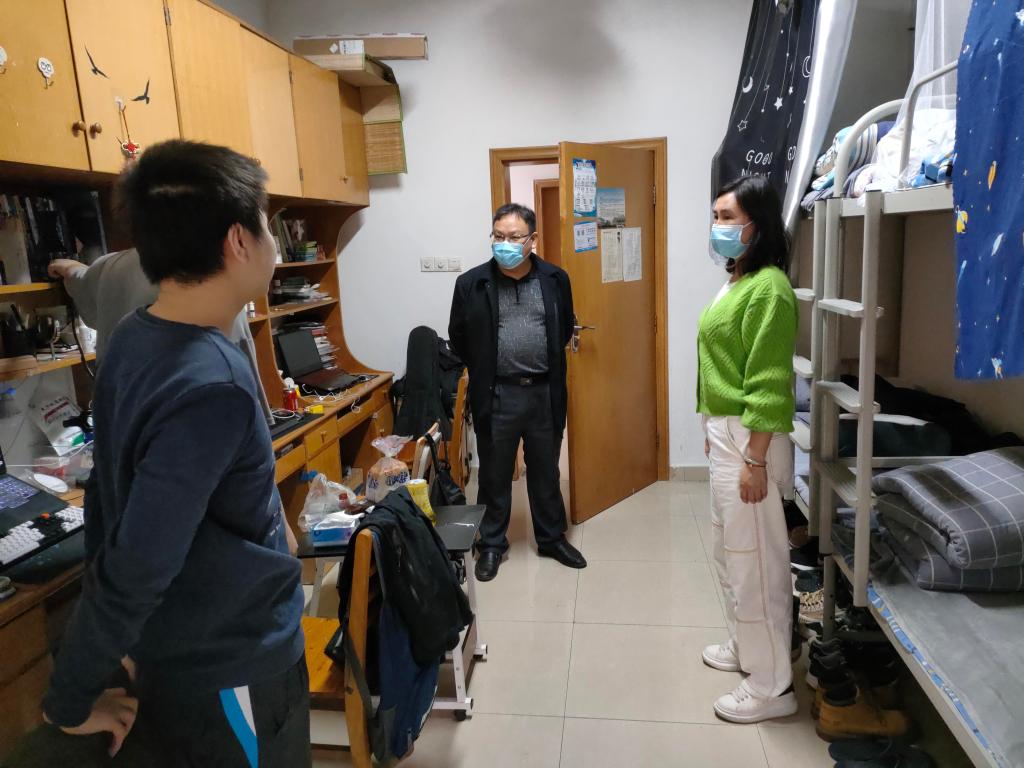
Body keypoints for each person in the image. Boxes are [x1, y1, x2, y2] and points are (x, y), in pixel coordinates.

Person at [40, 140, 310, 767]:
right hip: (230, 665)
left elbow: (109, 495)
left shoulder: (134, 336)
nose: (272, 242)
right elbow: (140, 560)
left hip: (183, 649)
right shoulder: (211, 383)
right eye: (265, 222)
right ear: (238, 241)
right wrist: (68, 699)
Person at [697, 175, 798, 724]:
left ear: (756, 225)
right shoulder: (738, 280)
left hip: (749, 440)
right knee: (730, 555)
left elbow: (768, 382)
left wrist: (755, 459)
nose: (717, 226)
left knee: (756, 564)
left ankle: (771, 687)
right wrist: (711, 427)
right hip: (727, 434)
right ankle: (747, 646)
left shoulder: (770, 289)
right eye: (715, 215)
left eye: (727, 217)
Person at [449, 203, 586, 582]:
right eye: (498, 236)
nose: (504, 244)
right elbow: (458, 337)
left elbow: (563, 329)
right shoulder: (472, 284)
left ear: (532, 239)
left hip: (543, 392)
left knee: (545, 471)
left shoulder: (555, 279)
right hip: (497, 394)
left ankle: (551, 538)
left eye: (514, 237)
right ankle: (492, 544)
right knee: (494, 475)